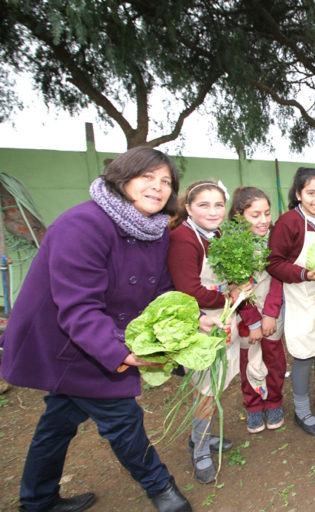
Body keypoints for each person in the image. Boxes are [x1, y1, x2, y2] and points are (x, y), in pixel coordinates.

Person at [0, 147, 214, 512]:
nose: (157, 187)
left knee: (58, 422)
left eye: (165, 181)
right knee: (122, 419)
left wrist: (191, 319)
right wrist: (122, 353)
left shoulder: (154, 230)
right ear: (122, 179)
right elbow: (79, 307)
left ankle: (37, 501)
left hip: (99, 339)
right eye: (147, 177)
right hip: (72, 343)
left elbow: (160, 293)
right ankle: (162, 489)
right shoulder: (82, 224)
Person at [167, 180, 244, 485]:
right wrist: (231, 295)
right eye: (204, 205)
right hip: (202, 325)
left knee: (216, 386)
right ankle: (199, 450)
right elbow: (189, 291)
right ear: (187, 207)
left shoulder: (217, 235)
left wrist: (236, 290)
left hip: (222, 322)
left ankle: (203, 435)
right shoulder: (183, 239)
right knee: (205, 391)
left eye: (218, 205)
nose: (213, 212)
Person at [267, 168, 315, 436]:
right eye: (311, 193)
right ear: (298, 194)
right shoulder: (288, 222)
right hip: (301, 296)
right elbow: (273, 262)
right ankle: (302, 410)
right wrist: (304, 273)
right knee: (302, 353)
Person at [228, 187, 286, 434]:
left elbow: (278, 278)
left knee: (275, 361)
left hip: (273, 313)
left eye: (267, 213)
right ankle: (253, 406)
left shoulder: (275, 239)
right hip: (246, 316)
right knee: (249, 361)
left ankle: (274, 401)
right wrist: (252, 322)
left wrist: (271, 314)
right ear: (240, 216)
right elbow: (235, 289)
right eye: (255, 215)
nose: (263, 221)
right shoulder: (231, 245)